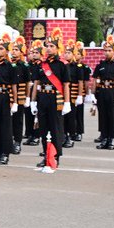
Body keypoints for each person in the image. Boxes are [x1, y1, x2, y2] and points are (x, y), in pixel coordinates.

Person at [30, 34, 71, 172]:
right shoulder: (41, 64)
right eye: (47, 46)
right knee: (43, 129)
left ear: (58, 48)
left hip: (55, 99)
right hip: (42, 98)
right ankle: (46, 155)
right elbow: (36, 83)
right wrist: (33, 101)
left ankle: (56, 156)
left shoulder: (62, 65)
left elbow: (65, 85)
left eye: (52, 46)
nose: (48, 49)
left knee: (55, 129)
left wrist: (67, 102)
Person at [90, 34, 114, 150]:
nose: (106, 53)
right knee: (103, 116)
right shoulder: (100, 65)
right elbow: (95, 80)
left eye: (109, 50)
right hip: (102, 92)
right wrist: (93, 94)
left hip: (112, 92)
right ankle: (104, 138)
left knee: (112, 116)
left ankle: (112, 139)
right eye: (105, 50)